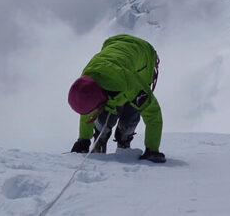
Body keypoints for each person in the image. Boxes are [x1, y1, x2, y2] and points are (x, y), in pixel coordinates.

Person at [67, 33, 166, 163]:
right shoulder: (87, 82)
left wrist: (152, 149)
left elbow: (152, 112)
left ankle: (123, 139)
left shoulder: (131, 84)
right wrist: (83, 139)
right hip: (116, 50)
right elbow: (88, 107)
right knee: (105, 117)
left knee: (130, 115)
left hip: (142, 61)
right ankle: (106, 137)